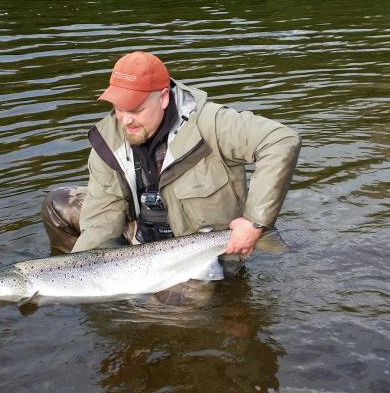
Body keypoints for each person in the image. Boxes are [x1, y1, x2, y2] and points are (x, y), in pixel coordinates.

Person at [41, 51, 300, 255]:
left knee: (164, 319)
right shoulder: (108, 143)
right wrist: (85, 275)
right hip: (143, 240)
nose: (125, 120)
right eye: (119, 108)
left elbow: (281, 140)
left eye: (136, 109)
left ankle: (224, 292)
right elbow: (100, 220)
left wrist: (254, 223)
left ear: (163, 98)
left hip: (200, 249)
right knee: (58, 205)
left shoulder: (211, 123)